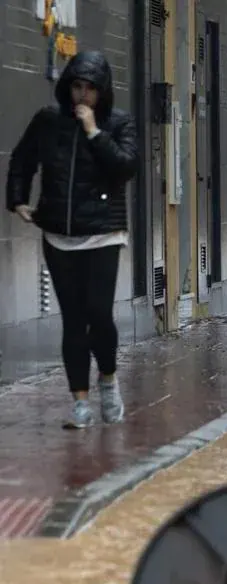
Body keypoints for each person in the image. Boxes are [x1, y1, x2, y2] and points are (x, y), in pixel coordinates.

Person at [5, 51, 138, 429]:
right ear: (68, 87)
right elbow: (22, 159)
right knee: (74, 320)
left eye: (90, 89)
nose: (83, 96)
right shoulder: (49, 120)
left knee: (99, 313)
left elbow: (125, 166)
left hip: (103, 234)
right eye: (77, 87)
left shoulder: (119, 122)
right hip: (59, 234)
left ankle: (108, 380)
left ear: (103, 92)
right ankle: (80, 402)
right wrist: (18, 200)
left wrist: (94, 132)